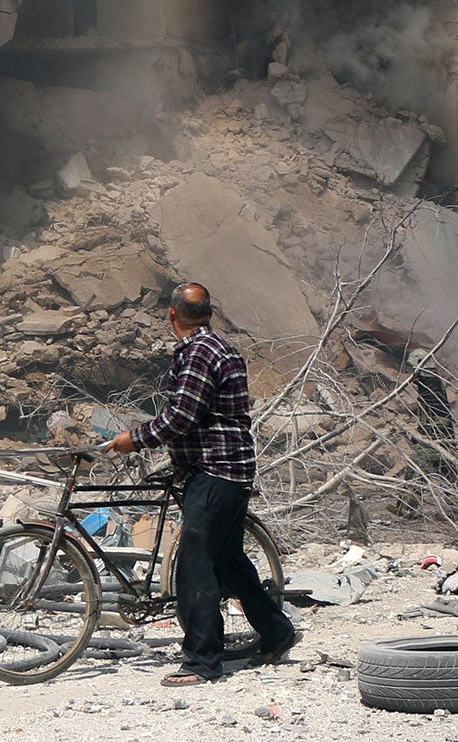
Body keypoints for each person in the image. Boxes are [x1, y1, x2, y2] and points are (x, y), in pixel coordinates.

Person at [107, 282, 296, 686]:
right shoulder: (219, 347)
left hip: (216, 470)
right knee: (228, 559)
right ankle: (277, 632)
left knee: (195, 561)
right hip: (227, 469)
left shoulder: (198, 352)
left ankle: (202, 661)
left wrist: (132, 439)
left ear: (171, 314)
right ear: (208, 312)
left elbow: (182, 416)